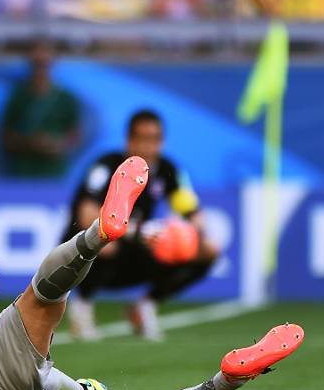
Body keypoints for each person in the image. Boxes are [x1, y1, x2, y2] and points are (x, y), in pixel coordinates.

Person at [0, 155, 305, 390]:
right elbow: (20, 361)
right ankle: (98, 233)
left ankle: (225, 383)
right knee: (37, 305)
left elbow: (26, 373)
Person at [64, 109, 219, 341]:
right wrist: (136, 230)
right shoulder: (106, 166)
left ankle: (144, 306)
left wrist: (186, 234)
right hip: (85, 254)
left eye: (154, 139)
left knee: (207, 250)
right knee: (106, 240)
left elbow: (193, 211)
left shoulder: (168, 171)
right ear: (129, 140)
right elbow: (87, 215)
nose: (148, 146)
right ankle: (82, 308)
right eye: (142, 139)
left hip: (134, 249)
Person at [0, 39, 81, 178]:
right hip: (23, 172)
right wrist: (30, 143)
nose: (40, 67)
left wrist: (58, 145)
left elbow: (75, 135)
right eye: (37, 63)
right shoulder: (18, 96)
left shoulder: (65, 98)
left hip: (55, 173)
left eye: (44, 63)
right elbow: (5, 137)